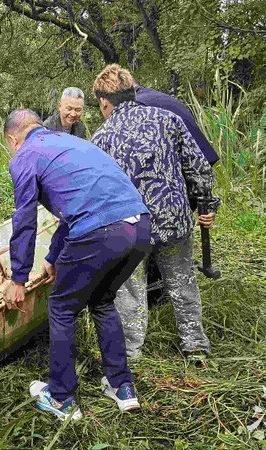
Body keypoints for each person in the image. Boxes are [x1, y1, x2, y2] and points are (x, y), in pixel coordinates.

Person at [2, 109, 151, 421]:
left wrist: (17, 279)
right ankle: (121, 387)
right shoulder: (72, 143)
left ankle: (62, 397)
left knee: (62, 307)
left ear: (14, 140)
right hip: (139, 227)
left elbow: (25, 220)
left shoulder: (25, 155)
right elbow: (80, 208)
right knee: (101, 299)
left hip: (101, 232)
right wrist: (54, 258)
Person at [90, 64, 220, 360]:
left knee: (130, 291)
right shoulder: (169, 120)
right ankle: (195, 345)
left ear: (104, 101)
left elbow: (96, 192)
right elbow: (199, 169)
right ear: (133, 92)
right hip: (174, 221)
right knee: (183, 282)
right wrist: (206, 205)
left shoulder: (100, 138)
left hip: (130, 229)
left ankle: (130, 354)